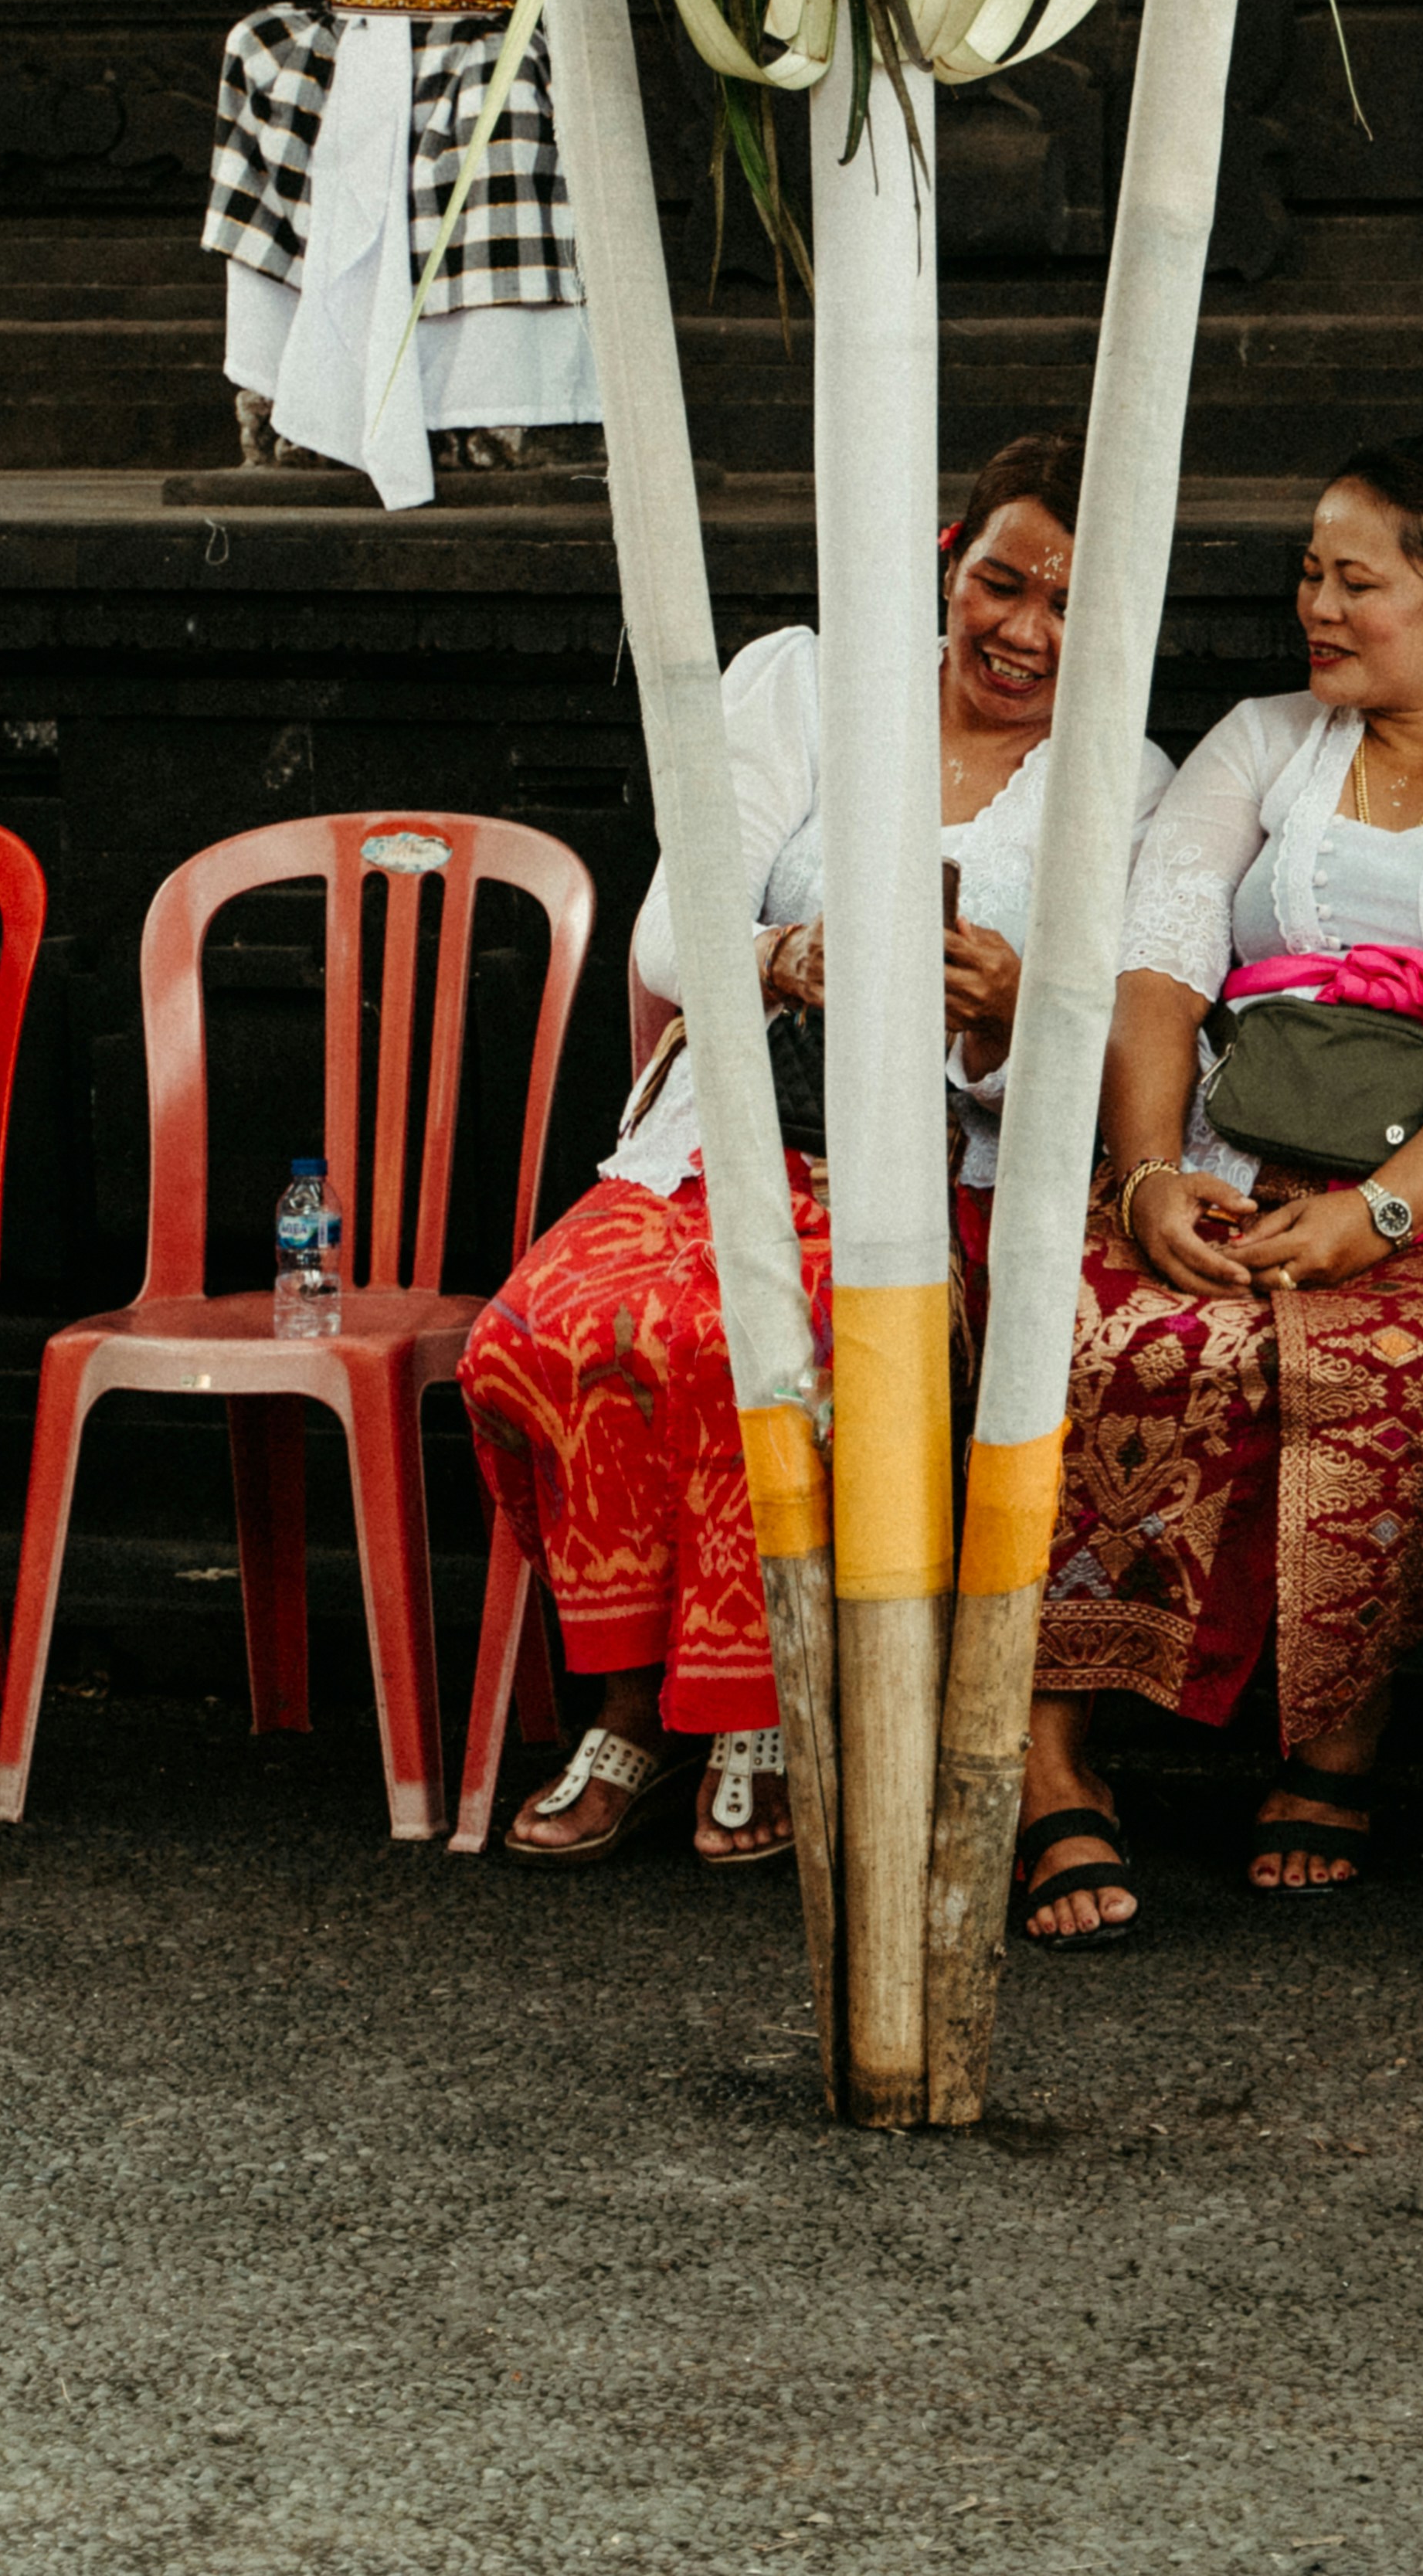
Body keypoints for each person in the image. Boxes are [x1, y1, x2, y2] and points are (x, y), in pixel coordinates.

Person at [464, 434, 1156, 1869]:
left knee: (760, 1339)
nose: (1025, 630)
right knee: (546, 1329)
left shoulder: (1125, 772)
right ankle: (634, 1702)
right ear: (945, 562)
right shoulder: (805, 681)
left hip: (928, 1171)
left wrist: (1007, 1007)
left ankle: (758, 1705)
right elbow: (672, 927)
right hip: (724, 1133)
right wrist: (784, 956)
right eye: (1000, 581)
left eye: (1071, 606)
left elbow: (1116, 1031)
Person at [1020, 437, 1423, 1946]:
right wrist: (1152, 1176)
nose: (1314, 603)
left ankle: (1338, 1736)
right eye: (1308, 572)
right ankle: (1055, 1755)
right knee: (1100, 1338)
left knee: (1383, 1370)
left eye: (1355, 578)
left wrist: (1381, 1211)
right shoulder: (1262, 740)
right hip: (1236, 1153)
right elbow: (1157, 975)